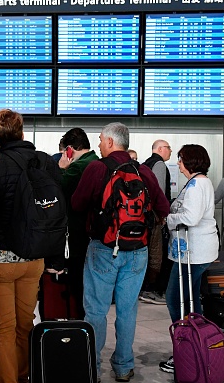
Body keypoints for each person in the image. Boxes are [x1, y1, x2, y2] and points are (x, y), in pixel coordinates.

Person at [71, 122, 169, 383]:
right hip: (138, 251)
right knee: (127, 310)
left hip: (103, 248)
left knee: (96, 310)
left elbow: (77, 203)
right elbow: (163, 208)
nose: (99, 144)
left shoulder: (97, 168)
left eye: (101, 139)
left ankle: (92, 365)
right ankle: (124, 366)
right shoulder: (144, 171)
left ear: (111, 142)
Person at [0, 109, 62, 383]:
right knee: (25, 325)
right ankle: (24, 376)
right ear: (22, 132)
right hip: (33, 258)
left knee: (3, 329)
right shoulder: (44, 162)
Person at [159, 144, 219, 374]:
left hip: (193, 253)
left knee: (176, 299)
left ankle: (186, 348)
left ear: (190, 162)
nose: (179, 165)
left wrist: (168, 219)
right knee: (192, 301)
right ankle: (197, 345)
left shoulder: (197, 184)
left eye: (181, 160)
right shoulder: (201, 182)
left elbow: (191, 217)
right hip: (195, 252)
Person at [57, 127, 99, 318]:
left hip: (77, 234)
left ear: (70, 149)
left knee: (77, 282)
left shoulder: (77, 168)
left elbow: (59, 194)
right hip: (96, 232)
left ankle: (77, 322)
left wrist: (61, 170)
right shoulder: (97, 162)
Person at [139, 139, 173, 305]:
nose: (171, 151)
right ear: (160, 149)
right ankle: (150, 290)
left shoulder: (145, 164)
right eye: (168, 148)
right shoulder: (159, 164)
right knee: (156, 255)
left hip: (143, 217)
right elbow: (158, 192)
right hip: (154, 218)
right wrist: (162, 215)